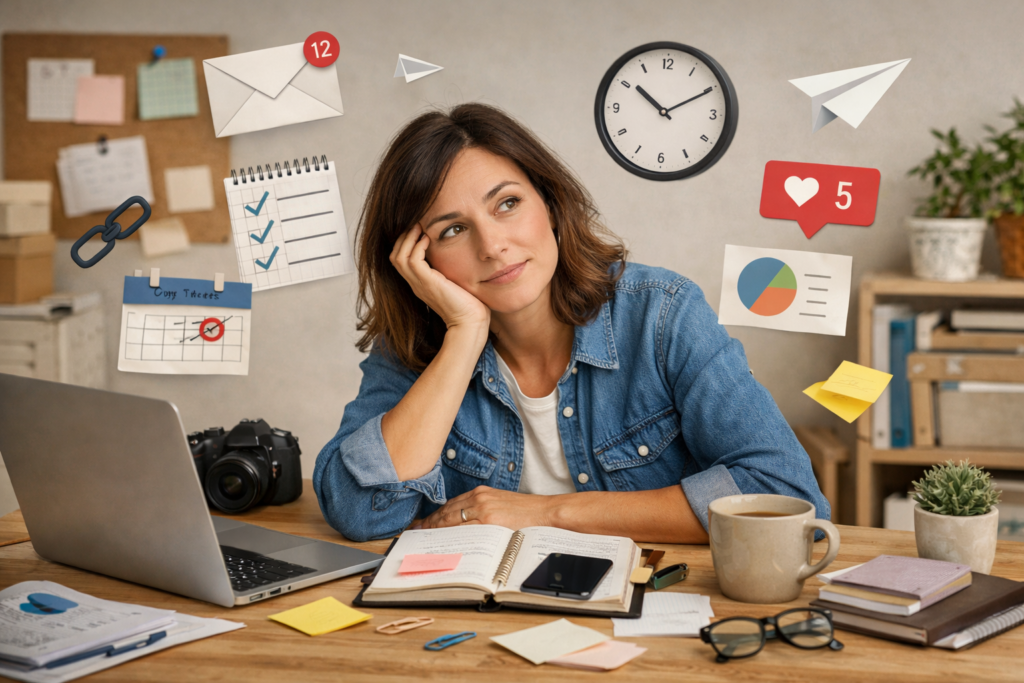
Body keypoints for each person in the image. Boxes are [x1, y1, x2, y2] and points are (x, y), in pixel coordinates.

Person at [313, 103, 829, 543]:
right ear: (417, 260)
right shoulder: (414, 346)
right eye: (452, 231)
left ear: (551, 205)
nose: (492, 246)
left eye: (508, 204)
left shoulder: (661, 314)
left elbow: (785, 496)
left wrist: (545, 515)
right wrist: (464, 336)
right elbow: (361, 512)